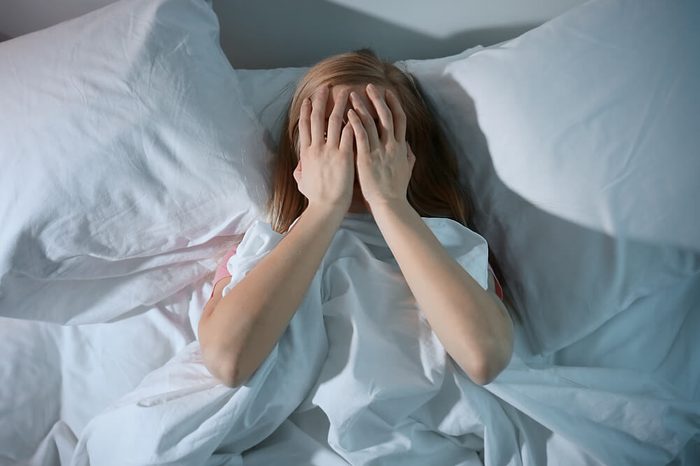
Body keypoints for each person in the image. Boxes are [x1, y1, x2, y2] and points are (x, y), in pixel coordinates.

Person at [198, 48, 516, 389]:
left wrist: (388, 200)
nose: (350, 153)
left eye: (375, 136)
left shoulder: (452, 246)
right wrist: (324, 207)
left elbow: (484, 358)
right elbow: (227, 362)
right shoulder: (262, 250)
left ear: (410, 155)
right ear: (298, 153)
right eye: (328, 135)